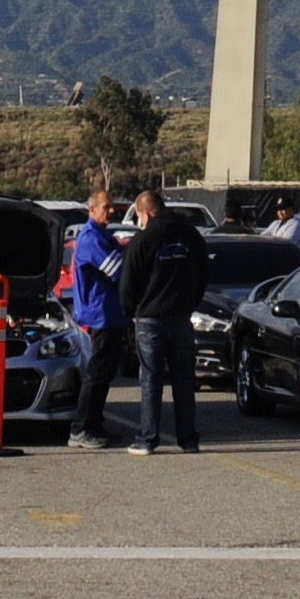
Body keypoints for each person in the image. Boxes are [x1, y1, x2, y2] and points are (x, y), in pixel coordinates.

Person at [121, 183, 210, 455]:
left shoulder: (143, 240)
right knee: (184, 381)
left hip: (150, 319)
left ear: (146, 213)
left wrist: (131, 313)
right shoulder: (192, 236)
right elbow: (203, 275)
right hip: (182, 318)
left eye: (139, 216)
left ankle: (147, 439)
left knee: (151, 381)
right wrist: (189, 304)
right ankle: (188, 439)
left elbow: (127, 284)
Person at [65, 184, 126, 446]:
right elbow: (120, 271)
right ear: (91, 209)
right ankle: (80, 428)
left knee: (105, 372)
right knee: (96, 372)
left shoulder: (102, 235)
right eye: (106, 207)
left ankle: (95, 424)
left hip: (111, 315)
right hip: (99, 315)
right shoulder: (91, 238)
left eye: (112, 206)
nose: (111, 210)